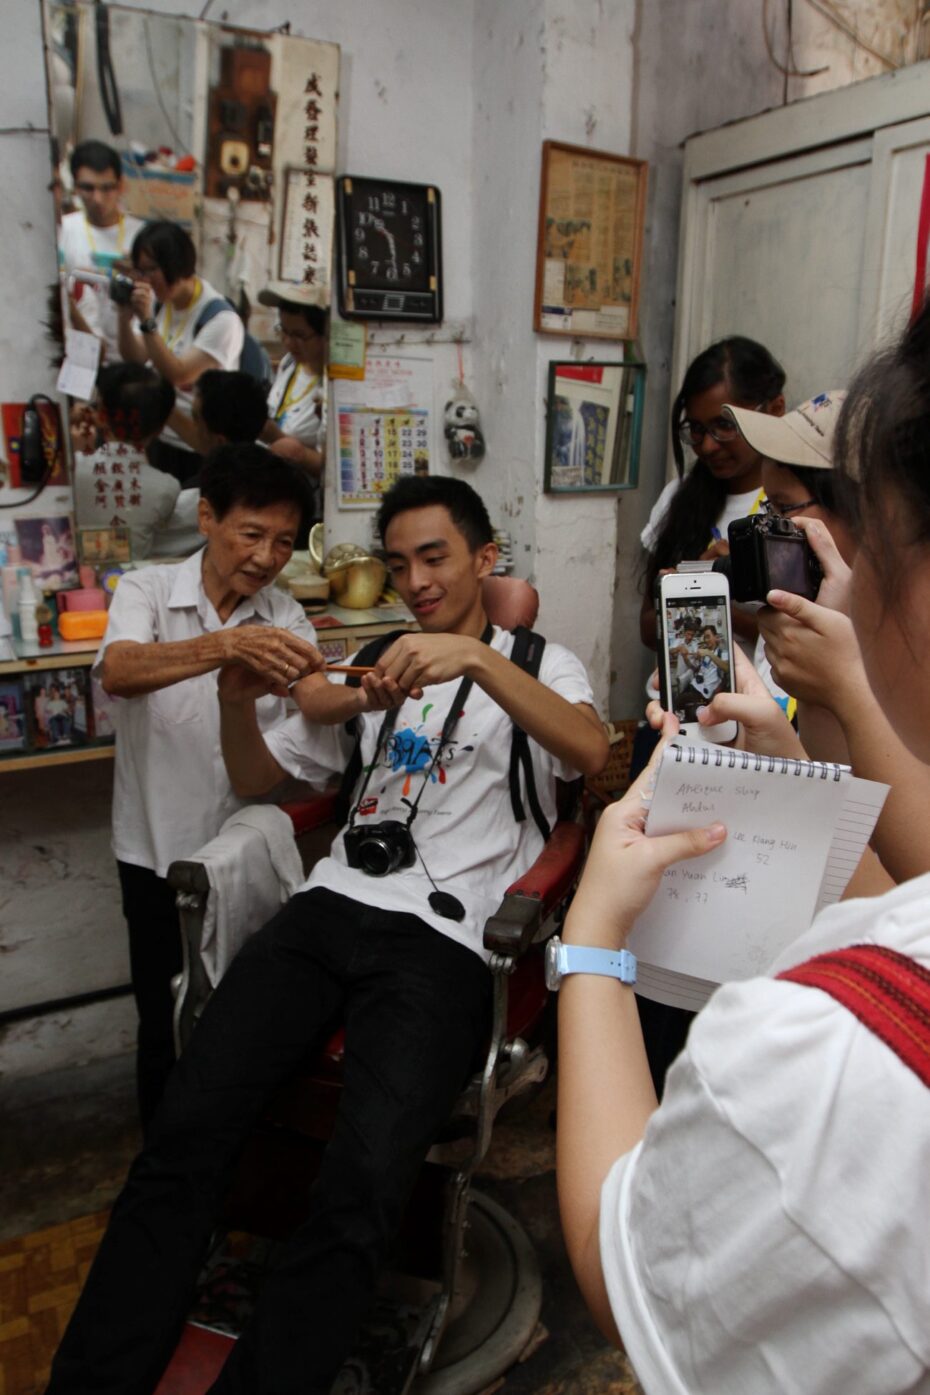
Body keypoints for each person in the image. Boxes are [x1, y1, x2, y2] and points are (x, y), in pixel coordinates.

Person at [46, 474, 608, 1395]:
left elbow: (589, 750)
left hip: (445, 940)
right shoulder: (373, 662)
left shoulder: (542, 663)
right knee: (185, 1128)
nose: (416, 581)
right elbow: (260, 776)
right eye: (399, 564)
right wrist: (245, 699)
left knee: (362, 1184)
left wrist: (474, 661)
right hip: (329, 908)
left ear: (484, 558)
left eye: (435, 558)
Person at [556, 303, 930, 1394]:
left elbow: (623, 1264)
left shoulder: (839, 1049)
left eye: (841, 533)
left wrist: (592, 937)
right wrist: (795, 762)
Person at [94, 444, 324, 1125]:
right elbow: (120, 671)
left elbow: (314, 699)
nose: (266, 556)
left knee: (242, 1014)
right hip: (155, 853)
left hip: (244, 858)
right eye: (251, 534)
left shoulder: (285, 615)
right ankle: (165, 1160)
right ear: (207, 518)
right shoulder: (146, 590)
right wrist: (224, 645)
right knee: (165, 1016)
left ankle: (238, 1155)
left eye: (283, 541)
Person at [639, 336, 787, 656]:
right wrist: (688, 586)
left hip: (758, 688)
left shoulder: (796, 508)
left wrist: (712, 600)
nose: (707, 445)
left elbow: (800, 640)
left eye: (724, 425)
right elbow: (647, 630)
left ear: (775, 409)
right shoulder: (678, 498)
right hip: (678, 687)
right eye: (696, 429)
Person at [118, 221, 245, 484]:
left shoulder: (221, 319)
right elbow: (136, 357)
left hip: (196, 446)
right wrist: (124, 314)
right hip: (159, 434)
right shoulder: (161, 304)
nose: (145, 280)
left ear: (176, 264)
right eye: (140, 271)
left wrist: (146, 321)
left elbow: (178, 374)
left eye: (151, 270)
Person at [151, 370, 271, 557]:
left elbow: (146, 542)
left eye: (195, 419)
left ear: (219, 441)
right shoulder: (272, 473)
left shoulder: (196, 501)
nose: (192, 426)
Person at [73, 362, 180, 559]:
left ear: (101, 415)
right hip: (131, 576)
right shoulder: (167, 488)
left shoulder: (74, 469)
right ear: (160, 428)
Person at [58, 139, 144, 362]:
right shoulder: (63, 231)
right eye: (88, 188)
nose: (98, 199)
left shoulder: (142, 237)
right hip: (80, 358)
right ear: (75, 187)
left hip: (131, 360)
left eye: (107, 188)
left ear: (121, 185)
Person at [258, 281, 329, 529]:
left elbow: (331, 469)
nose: (288, 343)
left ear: (326, 334)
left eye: (299, 335)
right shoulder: (290, 363)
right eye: (284, 331)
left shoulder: (337, 382)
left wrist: (280, 440)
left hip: (304, 505)